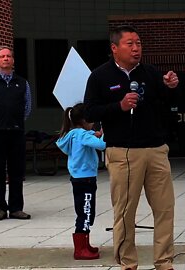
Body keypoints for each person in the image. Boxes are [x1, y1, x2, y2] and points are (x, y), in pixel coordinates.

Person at [83, 25, 178, 270]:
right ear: (114, 48)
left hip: (156, 150)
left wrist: (170, 87)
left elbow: (166, 106)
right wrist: (119, 106)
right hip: (122, 152)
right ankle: (128, 262)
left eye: (138, 43)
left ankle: (164, 261)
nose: (136, 48)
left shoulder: (152, 73)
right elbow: (90, 111)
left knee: (165, 209)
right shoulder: (99, 76)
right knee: (125, 212)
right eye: (130, 44)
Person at [56, 103, 106, 260]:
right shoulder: (82, 135)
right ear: (84, 120)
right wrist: (104, 133)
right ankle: (80, 249)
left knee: (84, 211)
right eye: (91, 119)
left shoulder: (73, 134)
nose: (93, 122)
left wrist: (93, 134)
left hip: (79, 179)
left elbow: (89, 139)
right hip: (86, 180)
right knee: (85, 213)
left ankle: (85, 244)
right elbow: (102, 145)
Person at [0, 47, 32, 221]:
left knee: (17, 172)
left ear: (13, 60)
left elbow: (27, 107)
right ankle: (0, 208)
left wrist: (16, 121)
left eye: (9, 56)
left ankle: (16, 208)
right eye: (2, 56)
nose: (6, 59)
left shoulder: (22, 83)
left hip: (16, 133)